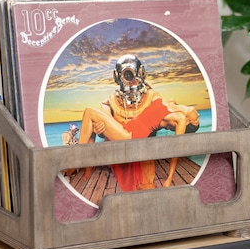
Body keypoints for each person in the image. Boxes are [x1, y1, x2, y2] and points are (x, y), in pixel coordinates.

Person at [77, 54, 200, 191]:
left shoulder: (179, 118)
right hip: (126, 133)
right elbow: (105, 120)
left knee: (89, 113)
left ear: (189, 121)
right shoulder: (170, 102)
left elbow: (176, 148)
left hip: (133, 138)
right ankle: (85, 170)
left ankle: (74, 161)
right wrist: (100, 129)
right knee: (93, 121)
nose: (198, 114)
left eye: (196, 120)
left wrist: (169, 178)